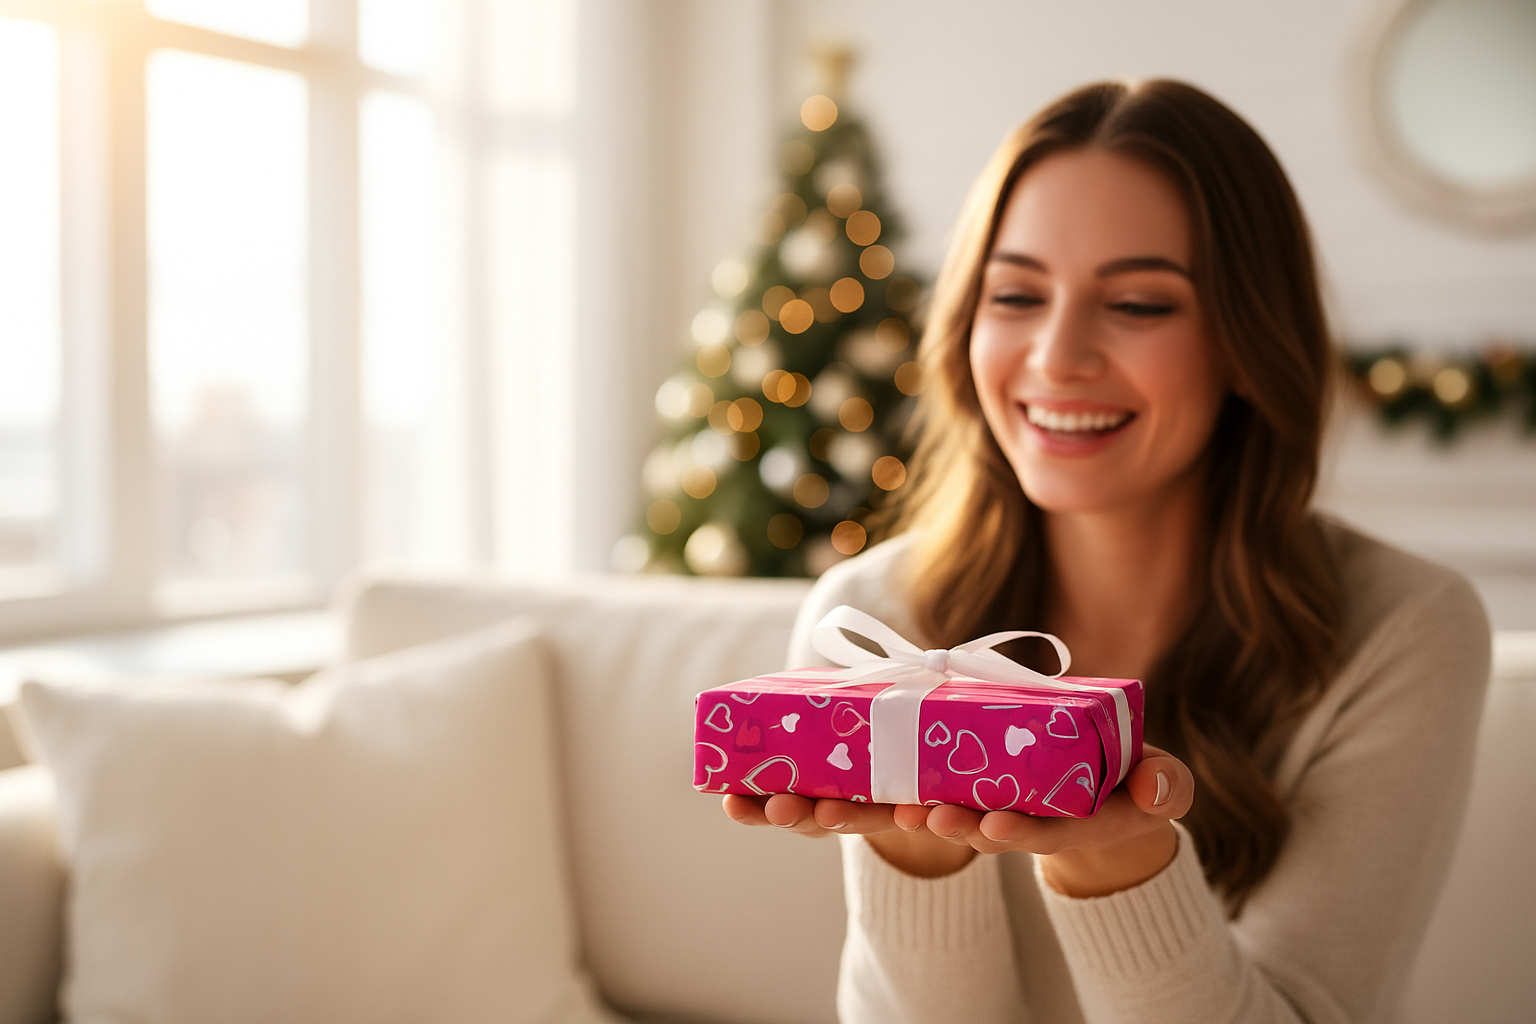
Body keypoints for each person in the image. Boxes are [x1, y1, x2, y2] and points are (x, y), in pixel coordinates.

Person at [722, 79, 1491, 1024]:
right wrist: (917, 854)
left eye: (1136, 303)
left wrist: (1118, 861)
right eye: (1015, 294)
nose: (1057, 354)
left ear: (1249, 341)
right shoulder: (874, 628)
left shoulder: (1403, 628)